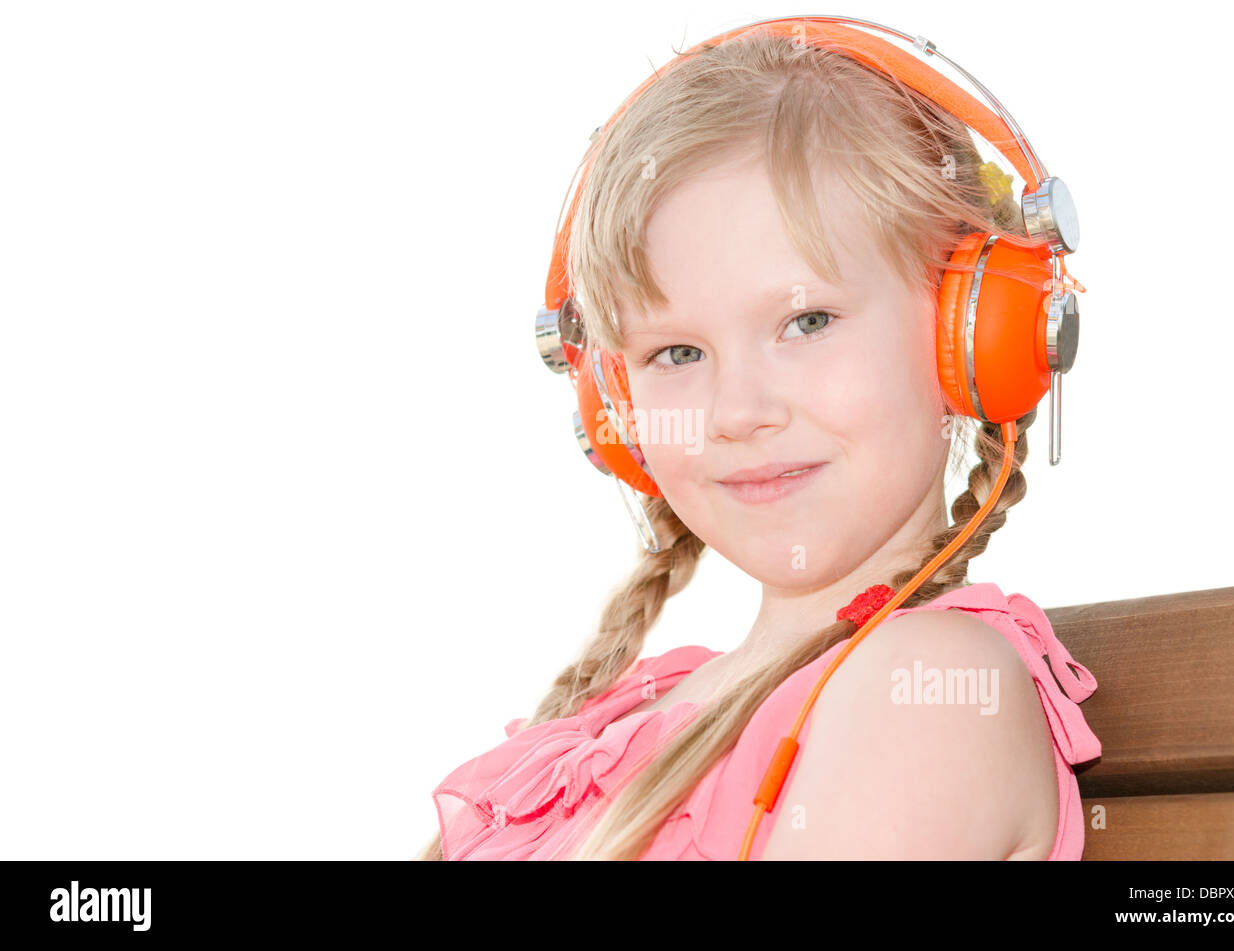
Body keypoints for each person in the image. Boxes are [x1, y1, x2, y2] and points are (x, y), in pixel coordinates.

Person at [418, 24, 1101, 861]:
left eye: (806, 321)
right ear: (612, 398)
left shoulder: (925, 696)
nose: (736, 411)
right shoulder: (640, 708)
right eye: (677, 352)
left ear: (973, 334)